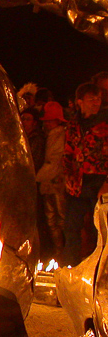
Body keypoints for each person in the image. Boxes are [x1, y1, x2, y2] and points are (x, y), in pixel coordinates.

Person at [63, 83, 108, 265]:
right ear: (80, 102)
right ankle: (70, 267)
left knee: (101, 230)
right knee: (71, 228)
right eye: (91, 99)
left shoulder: (105, 122)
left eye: (98, 98)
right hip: (77, 185)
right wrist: (67, 177)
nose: (95, 103)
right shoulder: (74, 124)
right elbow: (68, 151)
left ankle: (101, 271)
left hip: (100, 183)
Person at [35, 101, 67, 258]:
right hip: (50, 184)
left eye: (50, 120)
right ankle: (58, 253)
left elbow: (54, 162)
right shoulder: (52, 135)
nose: (47, 123)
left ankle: (61, 254)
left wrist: (36, 178)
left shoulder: (59, 135)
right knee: (53, 220)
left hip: (56, 184)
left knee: (58, 220)